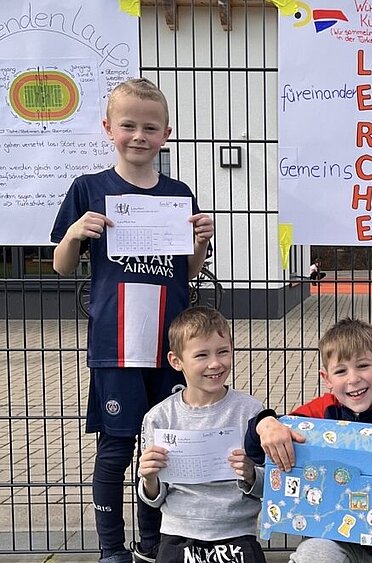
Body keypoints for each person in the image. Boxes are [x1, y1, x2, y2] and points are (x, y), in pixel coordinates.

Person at [50, 78, 215, 563]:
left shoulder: (177, 193)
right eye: (128, 126)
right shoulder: (89, 189)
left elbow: (185, 270)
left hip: (172, 344)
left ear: (166, 133)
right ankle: (110, 548)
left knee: (165, 445)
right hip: (117, 342)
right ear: (108, 128)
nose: (138, 136)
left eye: (150, 127)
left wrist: (201, 242)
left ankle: (152, 545)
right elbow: (61, 266)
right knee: (118, 446)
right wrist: (77, 233)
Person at [244, 318, 372, 563]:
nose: (353, 379)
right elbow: (258, 449)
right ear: (326, 378)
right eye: (341, 371)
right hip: (327, 540)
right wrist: (265, 423)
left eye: (362, 366)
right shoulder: (318, 415)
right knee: (314, 556)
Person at [137, 307, 266, 563]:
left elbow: (269, 484)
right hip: (177, 535)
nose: (215, 363)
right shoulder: (159, 417)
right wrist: (149, 478)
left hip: (237, 534)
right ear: (176, 361)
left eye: (223, 352)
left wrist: (251, 474)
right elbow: (153, 498)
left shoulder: (250, 412)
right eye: (201, 355)